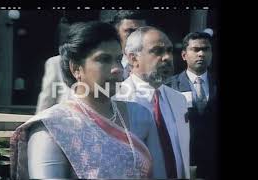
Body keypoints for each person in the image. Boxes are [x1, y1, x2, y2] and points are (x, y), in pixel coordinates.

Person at [10, 21, 160, 179]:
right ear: (76, 69)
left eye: (118, 59)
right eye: (104, 59)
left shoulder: (140, 116)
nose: (117, 69)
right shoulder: (51, 128)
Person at [114, 26, 190, 179]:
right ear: (133, 58)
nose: (167, 57)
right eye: (157, 51)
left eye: (169, 50)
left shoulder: (179, 99)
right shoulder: (116, 101)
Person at [35, 11, 148, 114]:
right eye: (129, 31)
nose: (136, 37)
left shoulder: (137, 116)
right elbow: (46, 103)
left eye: (141, 32)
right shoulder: (57, 64)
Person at [166, 32, 218, 180]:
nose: (201, 54)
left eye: (206, 49)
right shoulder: (170, 86)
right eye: (195, 49)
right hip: (183, 161)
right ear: (184, 55)